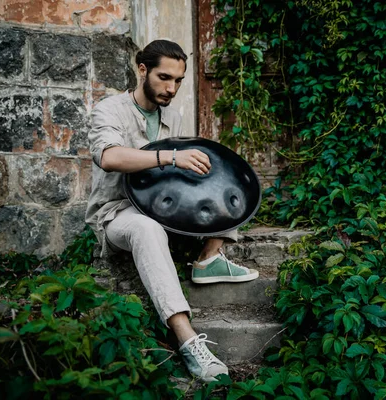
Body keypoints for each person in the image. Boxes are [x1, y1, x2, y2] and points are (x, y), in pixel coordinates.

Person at [85, 39, 259, 382]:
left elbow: (179, 178)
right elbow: (109, 157)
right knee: (146, 230)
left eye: (178, 80)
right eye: (165, 77)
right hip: (118, 213)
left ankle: (209, 259)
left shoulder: (172, 116)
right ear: (142, 70)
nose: (172, 88)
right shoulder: (110, 110)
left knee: (226, 183)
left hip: (161, 209)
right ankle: (188, 339)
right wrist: (171, 156)